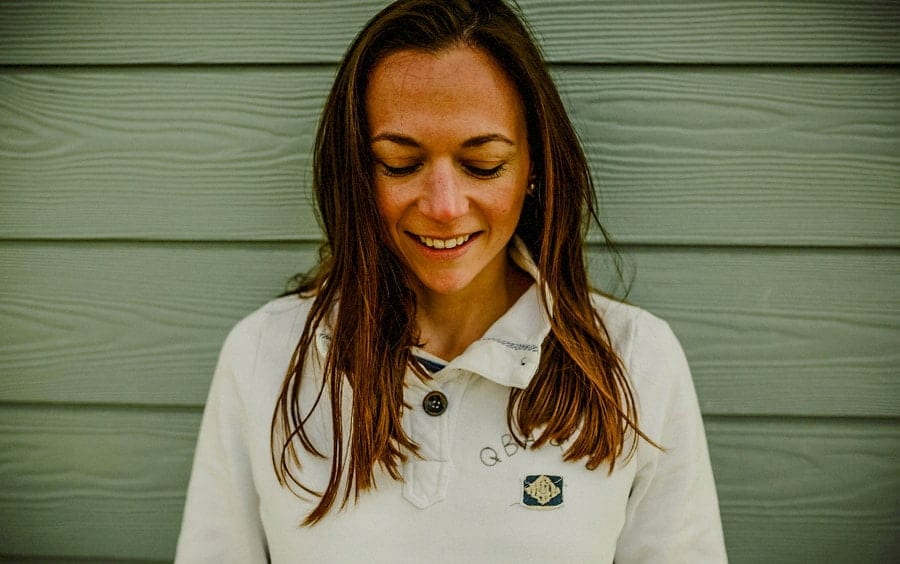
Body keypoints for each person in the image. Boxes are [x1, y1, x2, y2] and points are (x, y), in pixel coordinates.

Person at [176, 0, 727, 562]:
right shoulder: (263, 356)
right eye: (399, 163)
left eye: (483, 165)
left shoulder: (637, 361)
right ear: (357, 171)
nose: (443, 207)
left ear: (534, 167)